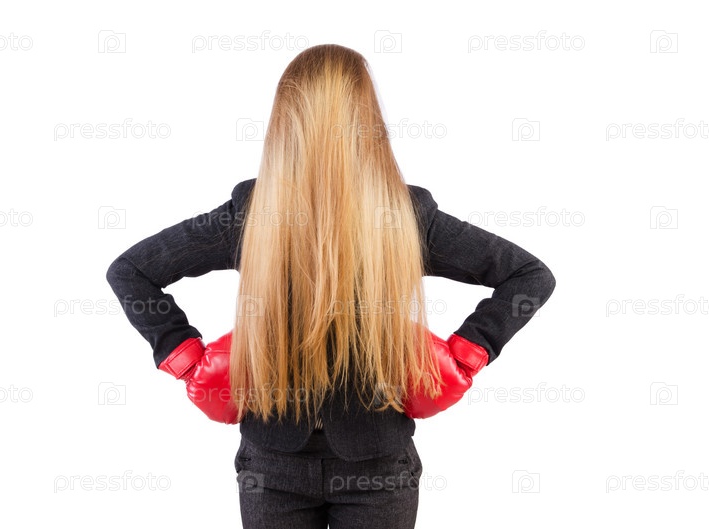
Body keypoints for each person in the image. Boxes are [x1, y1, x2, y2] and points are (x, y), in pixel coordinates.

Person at [106, 43, 556, 529]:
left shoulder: (404, 215)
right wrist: (186, 359)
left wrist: (467, 353)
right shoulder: (253, 213)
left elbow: (529, 276)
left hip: (376, 468)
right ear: (368, 118)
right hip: (274, 466)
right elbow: (131, 271)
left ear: (285, 120)